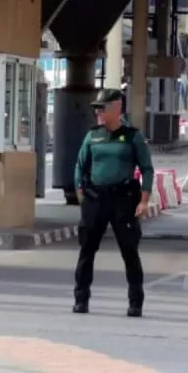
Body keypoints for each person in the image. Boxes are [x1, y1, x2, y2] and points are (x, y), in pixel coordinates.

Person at [73, 88, 154, 317]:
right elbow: (80, 165)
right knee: (87, 250)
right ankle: (81, 298)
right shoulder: (93, 135)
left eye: (103, 107)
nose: (98, 112)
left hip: (123, 199)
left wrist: (144, 200)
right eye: (96, 108)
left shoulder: (132, 136)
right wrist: (80, 191)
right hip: (96, 198)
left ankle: (135, 301)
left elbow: (146, 169)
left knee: (129, 251)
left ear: (117, 108)